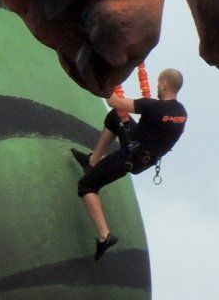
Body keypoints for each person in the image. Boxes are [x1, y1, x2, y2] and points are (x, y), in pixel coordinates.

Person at [71, 68, 188, 259]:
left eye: (158, 83)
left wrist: (105, 78)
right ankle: (92, 161)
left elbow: (113, 101)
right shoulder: (182, 113)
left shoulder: (153, 107)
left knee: (86, 186)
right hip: (146, 156)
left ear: (164, 85)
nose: (157, 87)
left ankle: (105, 236)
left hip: (131, 157)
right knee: (115, 117)